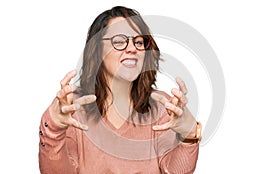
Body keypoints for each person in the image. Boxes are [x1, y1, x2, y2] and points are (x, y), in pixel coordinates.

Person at [38, 6, 202, 174]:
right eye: (119, 41)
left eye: (139, 42)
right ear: (96, 50)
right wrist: (54, 129)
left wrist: (189, 134)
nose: (132, 48)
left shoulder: (162, 105)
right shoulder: (72, 107)